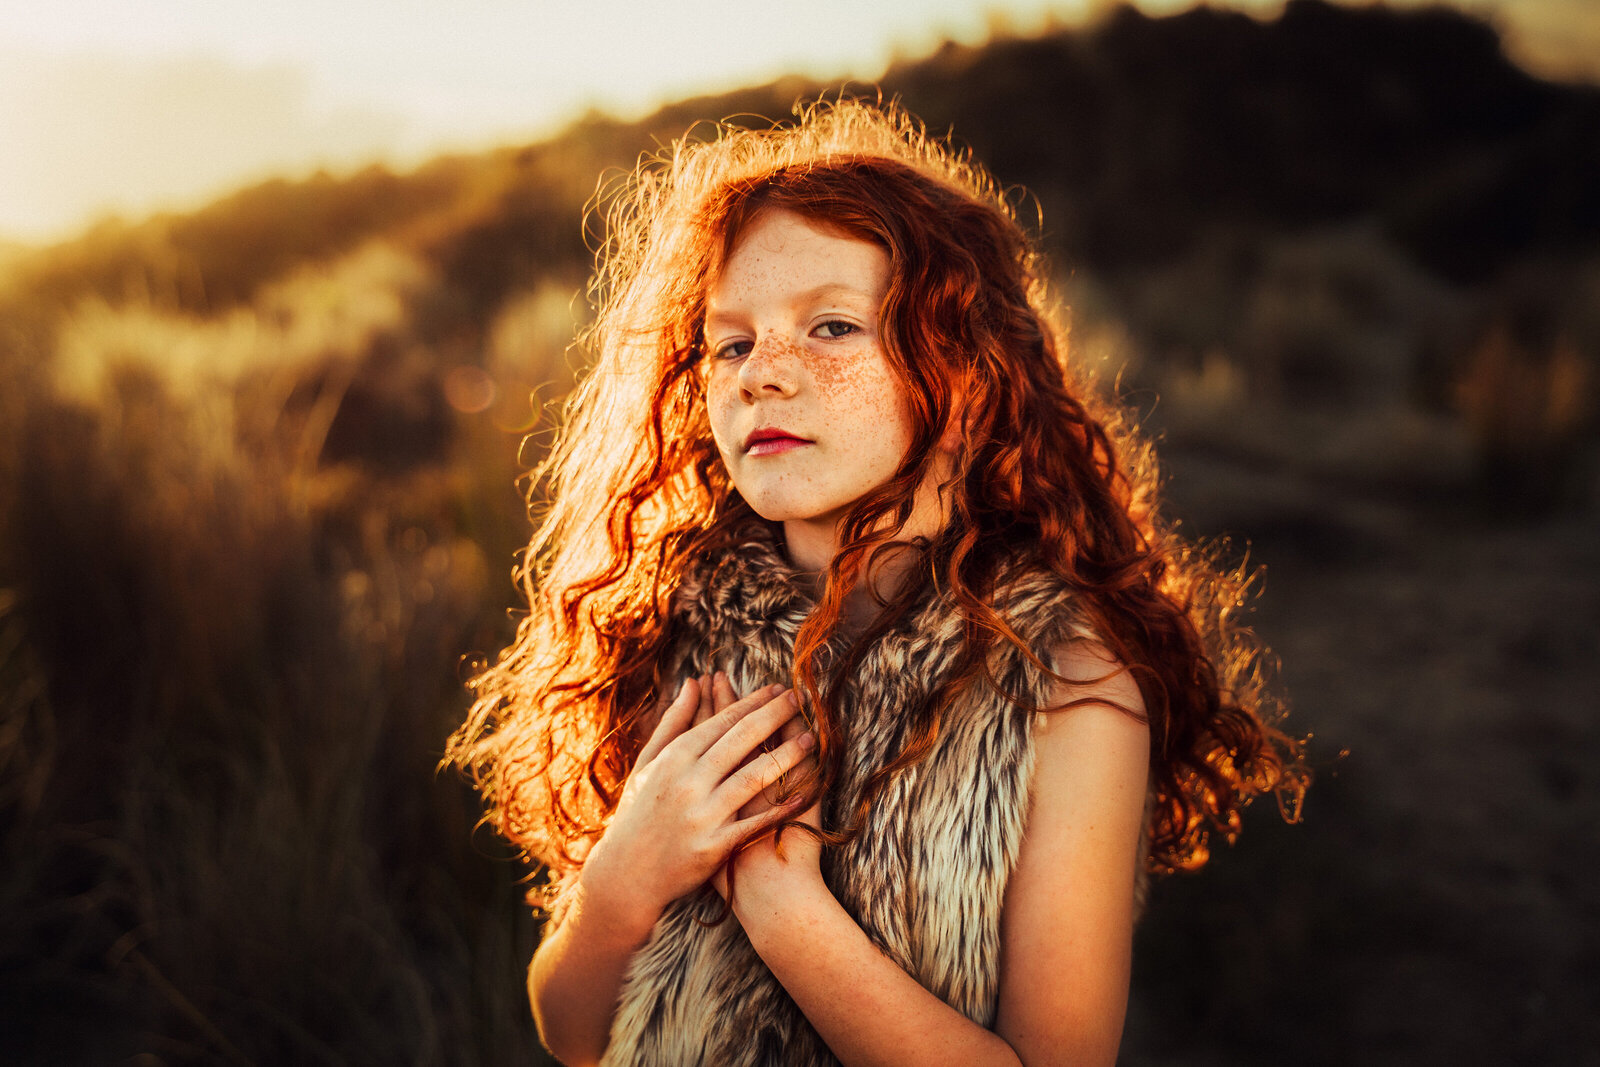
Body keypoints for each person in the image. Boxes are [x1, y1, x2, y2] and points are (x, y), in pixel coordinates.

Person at [447, 100, 1307, 1067]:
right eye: (731, 341)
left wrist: (785, 910)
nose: (763, 372)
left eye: (831, 325)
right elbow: (568, 1030)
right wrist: (620, 881)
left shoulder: (1065, 681)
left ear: (962, 373)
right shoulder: (670, 627)